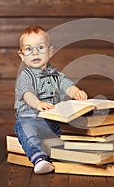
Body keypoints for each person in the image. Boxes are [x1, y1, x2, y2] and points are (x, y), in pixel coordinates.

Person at [14, 26, 87, 174]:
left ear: (50, 51)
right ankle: (39, 159)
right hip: (30, 118)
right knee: (28, 132)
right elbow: (27, 94)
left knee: (65, 134)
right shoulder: (25, 76)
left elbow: (67, 86)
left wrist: (76, 92)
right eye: (29, 49)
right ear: (22, 55)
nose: (35, 52)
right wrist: (38, 103)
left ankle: (65, 155)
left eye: (40, 47)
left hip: (52, 120)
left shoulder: (56, 75)